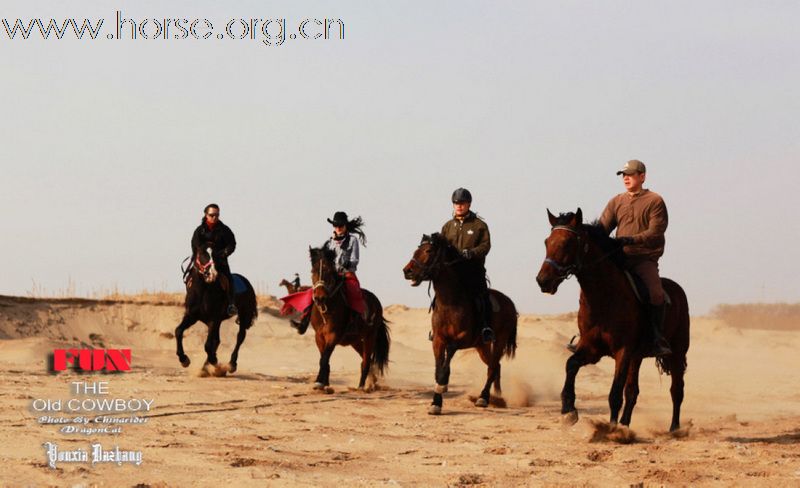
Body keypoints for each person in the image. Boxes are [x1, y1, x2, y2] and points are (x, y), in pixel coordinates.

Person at [599, 159, 672, 357]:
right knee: (594, 286)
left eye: (630, 175)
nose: (626, 178)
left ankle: (657, 338)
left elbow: (656, 233)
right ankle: (588, 335)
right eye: (624, 175)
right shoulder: (617, 201)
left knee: (656, 294)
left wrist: (630, 239)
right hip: (619, 258)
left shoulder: (655, 200)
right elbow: (602, 229)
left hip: (643, 259)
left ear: (642, 176)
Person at [290, 212, 367, 333]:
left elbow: (355, 259)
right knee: (314, 291)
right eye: (336, 226)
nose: (338, 228)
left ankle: (355, 320)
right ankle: (304, 320)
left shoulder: (353, 240)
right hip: (331, 275)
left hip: (347, 273)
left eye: (341, 226)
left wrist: (348, 264)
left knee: (354, 290)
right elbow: (322, 257)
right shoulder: (330, 242)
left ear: (345, 226)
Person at [440, 188, 494, 343]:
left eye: (462, 203)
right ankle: (437, 329)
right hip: (452, 272)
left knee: (482, 296)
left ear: (469, 204)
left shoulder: (479, 225)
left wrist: (471, 253)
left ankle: (485, 328)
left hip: (473, 271)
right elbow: (441, 248)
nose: (459, 206)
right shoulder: (447, 226)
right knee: (440, 296)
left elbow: (486, 246)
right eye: (456, 203)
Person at [191, 203, 238, 316]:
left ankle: (231, 304)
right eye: (212, 215)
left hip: (220, 260)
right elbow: (195, 245)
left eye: (217, 215)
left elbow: (232, 244)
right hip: (204, 261)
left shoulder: (224, 230)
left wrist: (224, 253)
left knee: (228, 278)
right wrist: (201, 257)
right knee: (190, 276)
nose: (214, 217)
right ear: (206, 215)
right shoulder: (199, 231)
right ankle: (191, 302)